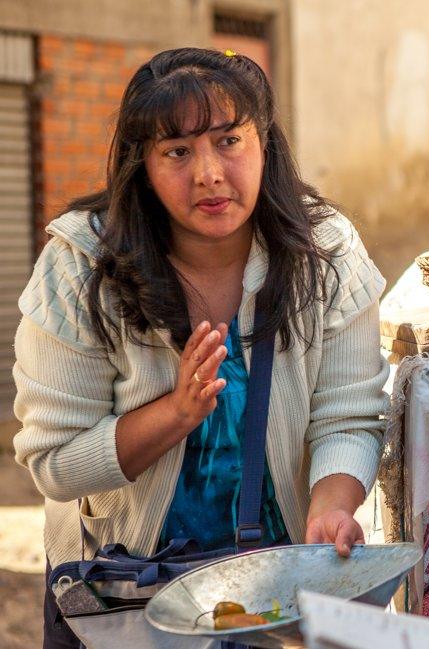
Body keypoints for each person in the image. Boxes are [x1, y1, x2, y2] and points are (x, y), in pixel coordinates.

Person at [13, 48, 389, 647]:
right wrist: (176, 414)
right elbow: (53, 464)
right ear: (144, 165)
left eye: (229, 141)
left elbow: (347, 415)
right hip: (128, 602)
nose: (209, 173)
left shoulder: (325, 252)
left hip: (280, 611)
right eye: (178, 152)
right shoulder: (81, 265)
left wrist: (331, 508)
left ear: (264, 140)